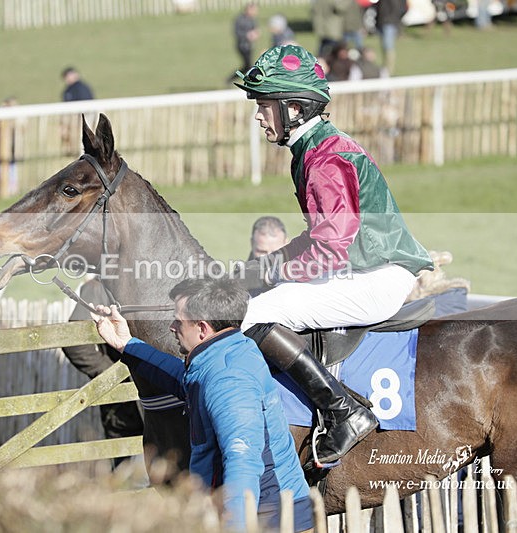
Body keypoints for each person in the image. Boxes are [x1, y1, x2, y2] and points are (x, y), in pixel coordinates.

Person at [233, 44, 433, 469]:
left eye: (264, 105)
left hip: (376, 275)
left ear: (293, 108)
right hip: (364, 269)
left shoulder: (325, 158)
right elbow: (317, 236)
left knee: (255, 313)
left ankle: (344, 411)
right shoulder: (313, 150)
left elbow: (328, 248)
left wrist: (271, 273)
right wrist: (261, 268)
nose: (257, 115)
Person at [90, 278, 314, 532]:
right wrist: (126, 344)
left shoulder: (229, 379)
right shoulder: (228, 351)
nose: (173, 327)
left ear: (202, 328)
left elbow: (243, 460)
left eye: (179, 320)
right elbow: (186, 380)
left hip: (265, 517)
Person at [61, 274, 144, 468]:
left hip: (168, 402)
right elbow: (75, 342)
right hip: (127, 405)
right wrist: (114, 376)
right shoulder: (99, 287)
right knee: (129, 479)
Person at [374, 0, 408, 75]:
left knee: (389, 47)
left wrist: (395, 19)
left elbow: (402, 8)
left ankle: (389, 69)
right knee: (384, 47)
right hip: (382, 22)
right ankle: (385, 67)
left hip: (390, 22)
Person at [229, 3, 260, 83]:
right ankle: (248, 81)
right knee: (248, 66)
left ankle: (232, 79)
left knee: (247, 66)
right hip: (242, 46)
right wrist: (247, 35)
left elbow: (255, 30)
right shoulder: (240, 19)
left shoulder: (252, 19)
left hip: (249, 46)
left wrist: (256, 34)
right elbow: (237, 32)